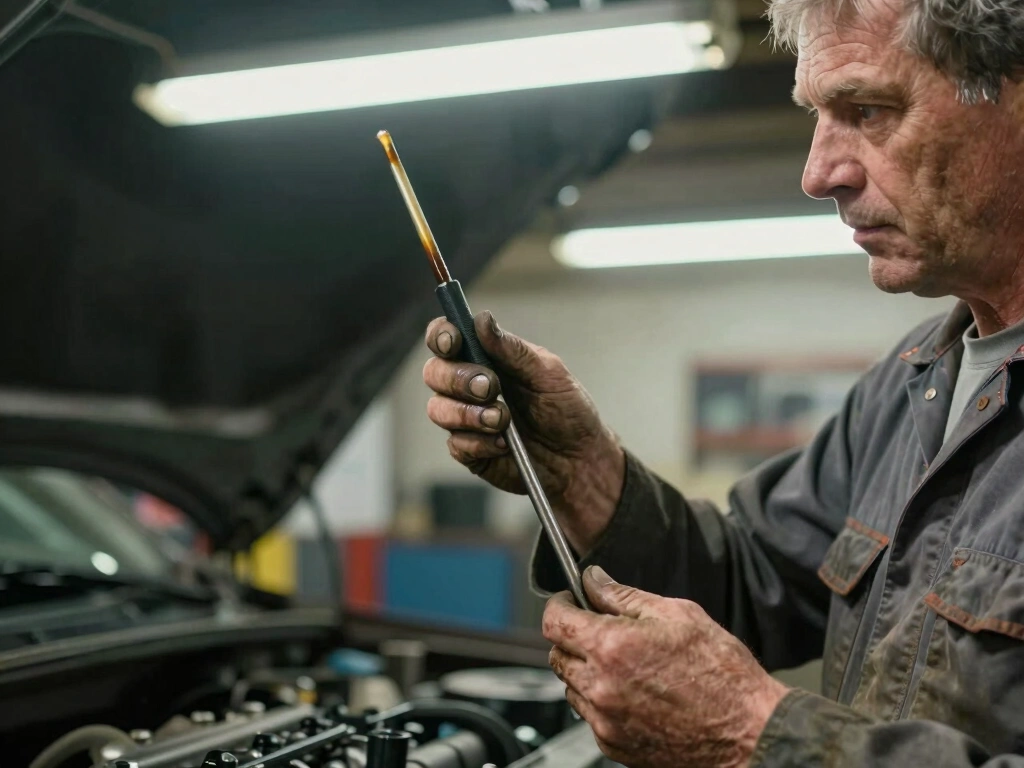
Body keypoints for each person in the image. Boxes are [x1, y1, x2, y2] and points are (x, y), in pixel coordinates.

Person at [421, 0, 1024, 763]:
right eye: (816, 116)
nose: (817, 173)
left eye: (867, 109)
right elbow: (751, 583)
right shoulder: (911, 390)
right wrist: (583, 475)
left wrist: (757, 736)